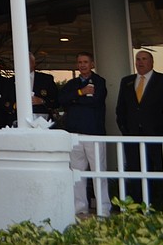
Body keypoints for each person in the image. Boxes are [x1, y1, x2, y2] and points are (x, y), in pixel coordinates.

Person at [115, 50, 163, 209]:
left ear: (152, 62)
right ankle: (139, 209)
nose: (140, 62)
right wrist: (125, 130)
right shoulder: (127, 81)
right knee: (136, 174)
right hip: (133, 137)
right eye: (138, 59)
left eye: (144, 59)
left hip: (158, 136)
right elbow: (121, 109)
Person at [58, 51, 110, 216]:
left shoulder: (99, 81)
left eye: (85, 62)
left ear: (92, 64)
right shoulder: (73, 83)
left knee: (98, 172)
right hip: (75, 133)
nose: (82, 65)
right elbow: (62, 100)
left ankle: (103, 209)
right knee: (77, 173)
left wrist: (74, 100)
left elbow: (95, 101)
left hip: (94, 132)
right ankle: (80, 208)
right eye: (80, 62)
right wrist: (81, 93)